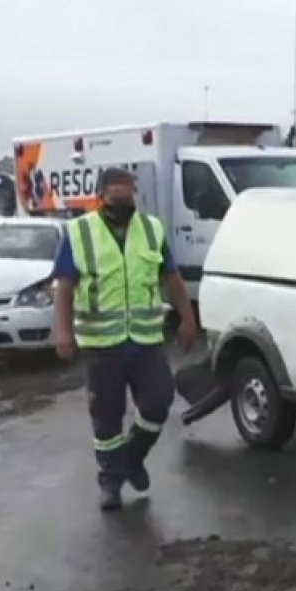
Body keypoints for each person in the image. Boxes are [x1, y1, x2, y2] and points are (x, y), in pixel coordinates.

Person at [52, 167, 198, 511]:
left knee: (159, 402)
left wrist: (188, 319)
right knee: (107, 417)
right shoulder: (80, 233)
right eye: (116, 199)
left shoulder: (151, 228)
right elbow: (65, 288)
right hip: (102, 346)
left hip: (145, 341)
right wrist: (63, 332)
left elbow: (172, 278)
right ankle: (111, 482)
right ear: (101, 197)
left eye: (128, 198)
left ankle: (133, 457)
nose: (123, 204)